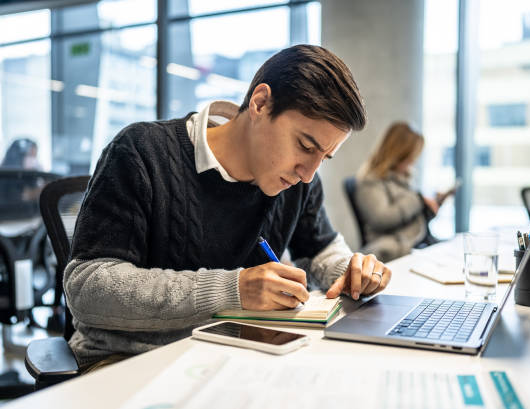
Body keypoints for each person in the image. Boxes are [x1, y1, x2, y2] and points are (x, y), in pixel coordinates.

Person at [65, 44, 393, 370]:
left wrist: (350, 271)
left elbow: (321, 249)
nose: (308, 173)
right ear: (261, 103)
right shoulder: (141, 152)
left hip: (240, 356)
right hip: (129, 361)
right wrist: (234, 289)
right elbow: (87, 288)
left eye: (324, 157)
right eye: (305, 146)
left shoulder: (297, 182)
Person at [355, 122, 454, 262]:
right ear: (399, 154)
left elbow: (410, 219)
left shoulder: (402, 178)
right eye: (410, 156)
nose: (413, 161)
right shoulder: (371, 182)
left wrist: (429, 209)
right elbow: (382, 219)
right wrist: (418, 200)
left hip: (416, 243)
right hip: (393, 250)